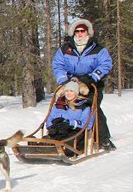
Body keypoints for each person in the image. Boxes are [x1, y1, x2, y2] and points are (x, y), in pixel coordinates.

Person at [52, 18, 115, 150]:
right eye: (77, 31)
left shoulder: (97, 49)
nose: (80, 34)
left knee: (92, 108)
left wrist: (92, 77)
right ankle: (59, 134)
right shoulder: (65, 49)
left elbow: (105, 64)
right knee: (61, 106)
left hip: (91, 84)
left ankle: (103, 139)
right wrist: (64, 80)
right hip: (70, 83)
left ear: (88, 32)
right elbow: (58, 65)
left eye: (82, 31)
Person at [46, 80, 93, 155]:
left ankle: (60, 150)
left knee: (66, 144)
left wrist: (69, 123)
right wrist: (51, 126)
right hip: (58, 132)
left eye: (71, 91)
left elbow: (88, 124)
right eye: (66, 91)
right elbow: (49, 120)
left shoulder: (84, 106)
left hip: (75, 133)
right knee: (46, 140)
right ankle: (39, 148)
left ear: (76, 93)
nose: (68, 93)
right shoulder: (58, 105)